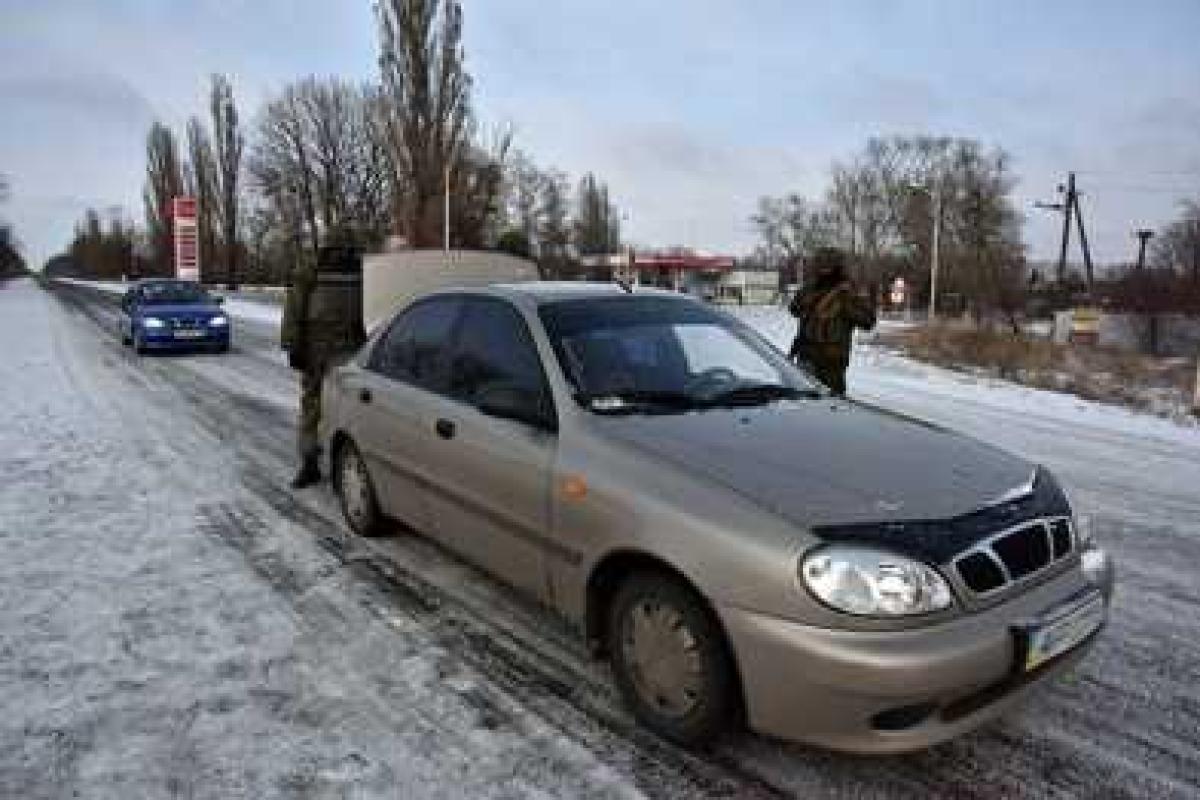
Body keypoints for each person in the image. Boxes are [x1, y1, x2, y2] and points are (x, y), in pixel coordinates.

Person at [281, 233, 366, 488]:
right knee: (349, 409)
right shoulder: (363, 269)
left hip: (323, 351)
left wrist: (292, 347)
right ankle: (338, 464)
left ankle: (312, 464)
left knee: (313, 407)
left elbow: (294, 310)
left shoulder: (311, 267)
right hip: (350, 351)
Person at [787, 247, 876, 396]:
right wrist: (807, 301)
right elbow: (794, 309)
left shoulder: (849, 291)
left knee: (832, 401)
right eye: (821, 265)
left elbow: (868, 321)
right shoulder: (810, 288)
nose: (823, 269)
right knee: (803, 399)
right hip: (806, 356)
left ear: (837, 267)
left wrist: (847, 305)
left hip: (832, 362)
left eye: (827, 265)